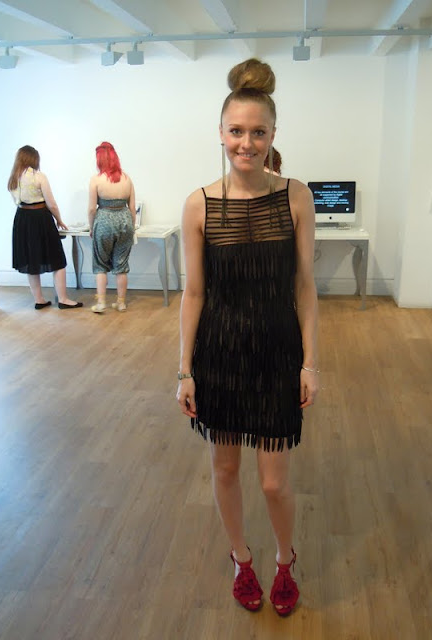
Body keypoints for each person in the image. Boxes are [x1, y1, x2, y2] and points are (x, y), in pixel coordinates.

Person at [177, 58, 319, 616]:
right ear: (220, 133)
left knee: (275, 484)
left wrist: (310, 363)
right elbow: (194, 294)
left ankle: (285, 559)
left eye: (258, 132)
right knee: (226, 468)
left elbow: (305, 288)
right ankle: (242, 559)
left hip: (278, 353)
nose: (247, 143)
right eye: (237, 131)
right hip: (220, 356)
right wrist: (185, 371)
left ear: (273, 135)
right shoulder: (199, 204)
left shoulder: (295, 196)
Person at [8, 145, 83, 310]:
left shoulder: (13, 178)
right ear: (34, 159)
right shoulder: (39, 176)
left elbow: (16, 202)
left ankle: (39, 300)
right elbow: (51, 203)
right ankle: (63, 299)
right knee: (58, 259)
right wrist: (59, 220)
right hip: (41, 218)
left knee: (31, 260)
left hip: (22, 220)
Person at [88, 142, 136, 313]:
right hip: (125, 221)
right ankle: (121, 303)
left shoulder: (96, 180)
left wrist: (91, 227)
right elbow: (132, 208)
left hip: (104, 222)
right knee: (121, 264)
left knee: (100, 264)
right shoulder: (127, 179)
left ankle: (101, 303)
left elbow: (92, 209)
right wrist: (132, 227)